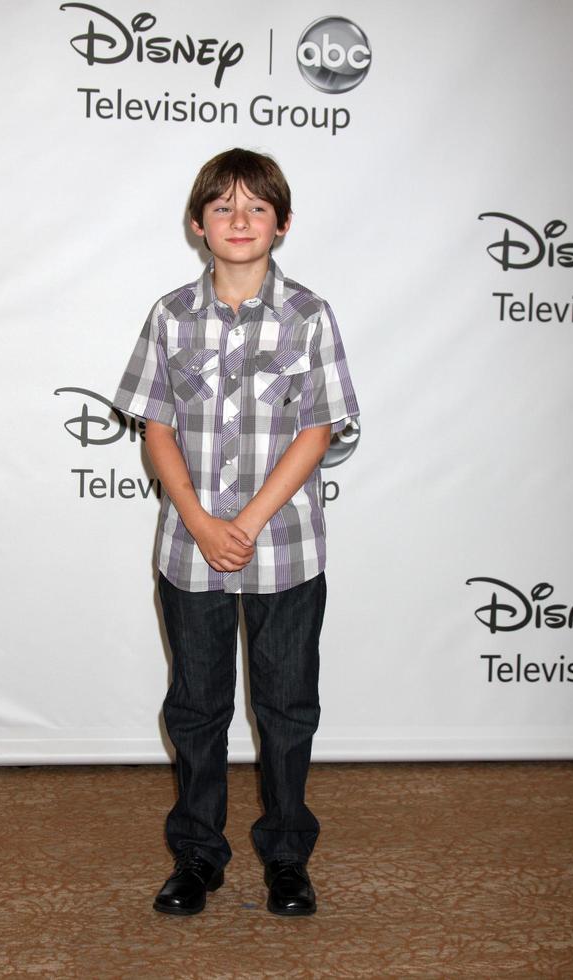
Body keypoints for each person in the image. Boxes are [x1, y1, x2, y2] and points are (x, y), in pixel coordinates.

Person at [113, 147, 360, 917]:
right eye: (223, 206)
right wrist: (198, 521)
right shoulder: (169, 315)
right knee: (196, 708)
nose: (240, 219)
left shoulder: (310, 316)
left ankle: (287, 857)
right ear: (198, 225)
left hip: (285, 553)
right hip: (190, 553)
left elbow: (318, 430)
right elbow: (155, 424)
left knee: (287, 709)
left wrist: (245, 525)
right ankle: (197, 856)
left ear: (282, 224)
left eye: (257, 207)